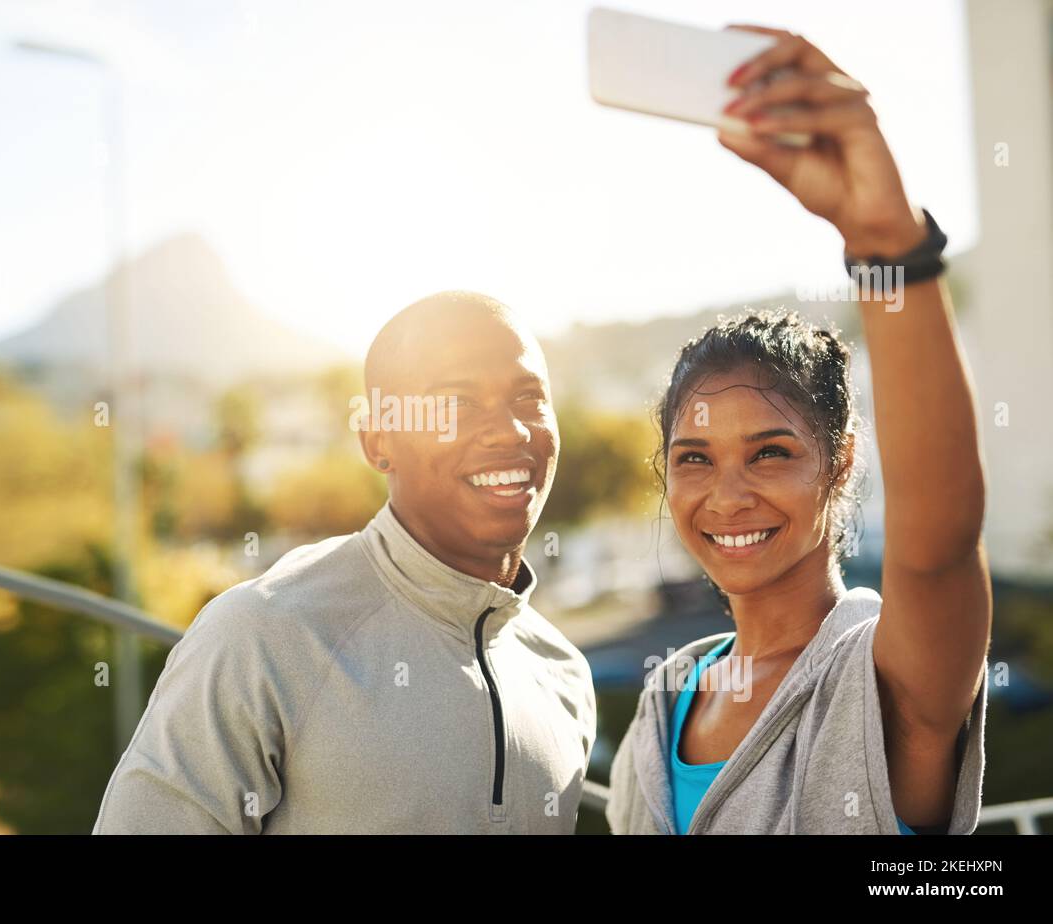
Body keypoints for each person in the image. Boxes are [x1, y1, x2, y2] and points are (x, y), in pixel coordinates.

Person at [605, 25, 991, 834]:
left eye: (771, 452)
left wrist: (884, 243)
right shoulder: (665, 694)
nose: (728, 494)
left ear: (841, 462)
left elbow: (942, 542)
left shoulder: (883, 675)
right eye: (695, 459)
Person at [94, 291, 596, 834]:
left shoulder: (563, 673)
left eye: (528, 398)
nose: (511, 431)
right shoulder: (262, 634)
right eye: (456, 403)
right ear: (379, 441)